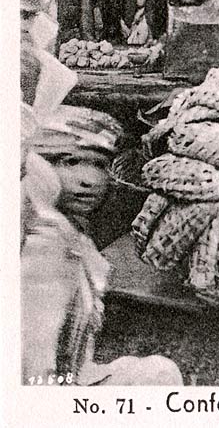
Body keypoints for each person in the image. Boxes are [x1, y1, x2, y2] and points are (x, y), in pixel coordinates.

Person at [22, 105, 183, 386]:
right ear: (39, 165)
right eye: (70, 162)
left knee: (156, 372)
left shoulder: (73, 238)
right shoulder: (43, 243)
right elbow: (33, 368)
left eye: (99, 165)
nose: (90, 180)